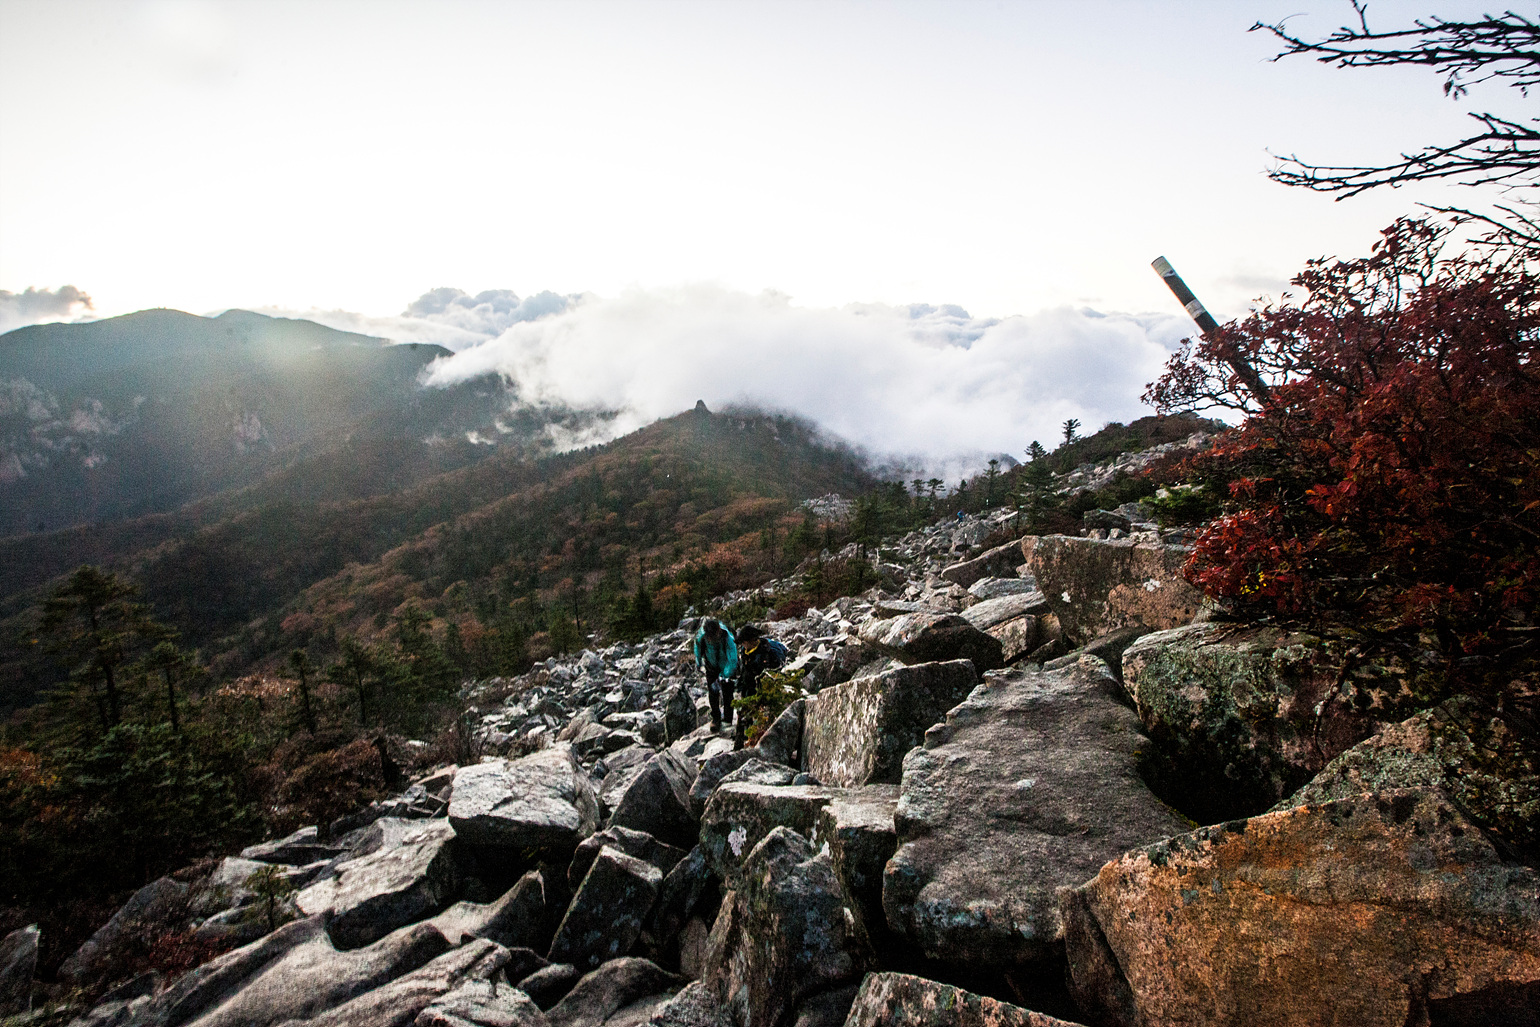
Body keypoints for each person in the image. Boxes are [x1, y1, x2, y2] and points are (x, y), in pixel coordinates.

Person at [693, 617, 739, 731]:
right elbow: (697, 648)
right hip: (711, 666)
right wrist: (698, 663)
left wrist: (724, 675)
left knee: (728, 693)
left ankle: (728, 719)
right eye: (709, 637)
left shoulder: (727, 638)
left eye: (713, 637)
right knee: (713, 692)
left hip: (726, 666)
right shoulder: (701, 637)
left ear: (718, 631)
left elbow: (733, 660)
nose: (711, 639)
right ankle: (716, 718)